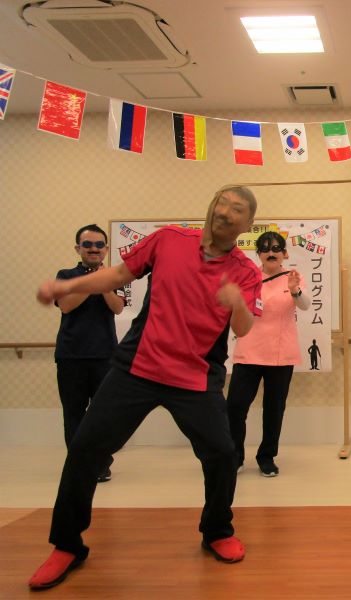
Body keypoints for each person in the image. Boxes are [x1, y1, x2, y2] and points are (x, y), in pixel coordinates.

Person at [29, 185, 263, 590]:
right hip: (136, 367)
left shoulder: (245, 271)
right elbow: (119, 275)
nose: (225, 212)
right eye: (222, 202)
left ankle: (217, 531)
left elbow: (244, 329)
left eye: (237, 209)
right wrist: (66, 287)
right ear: (210, 207)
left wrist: (236, 304)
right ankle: (67, 544)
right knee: (86, 449)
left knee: (223, 454)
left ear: (248, 224)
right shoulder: (169, 239)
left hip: (195, 376)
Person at [227, 231, 310, 477]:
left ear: (284, 253)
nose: (270, 252)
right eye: (264, 249)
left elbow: (305, 304)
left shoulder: (293, 277)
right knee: (235, 407)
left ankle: (266, 457)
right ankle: (235, 456)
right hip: (248, 351)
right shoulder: (247, 278)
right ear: (259, 254)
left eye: (275, 248)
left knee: (274, 409)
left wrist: (295, 291)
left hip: (280, 353)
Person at [54, 224, 124, 483]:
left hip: (105, 356)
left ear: (106, 249)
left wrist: (104, 283)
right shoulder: (65, 274)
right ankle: (78, 465)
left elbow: (117, 308)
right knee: (73, 412)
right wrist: (91, 281)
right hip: (71, 356)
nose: (94, 250)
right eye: (88, 245)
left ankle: (101, 464)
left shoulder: (114, 276)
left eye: (99, 245)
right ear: (78, 248)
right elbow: (66, 305)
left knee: (104, 414)